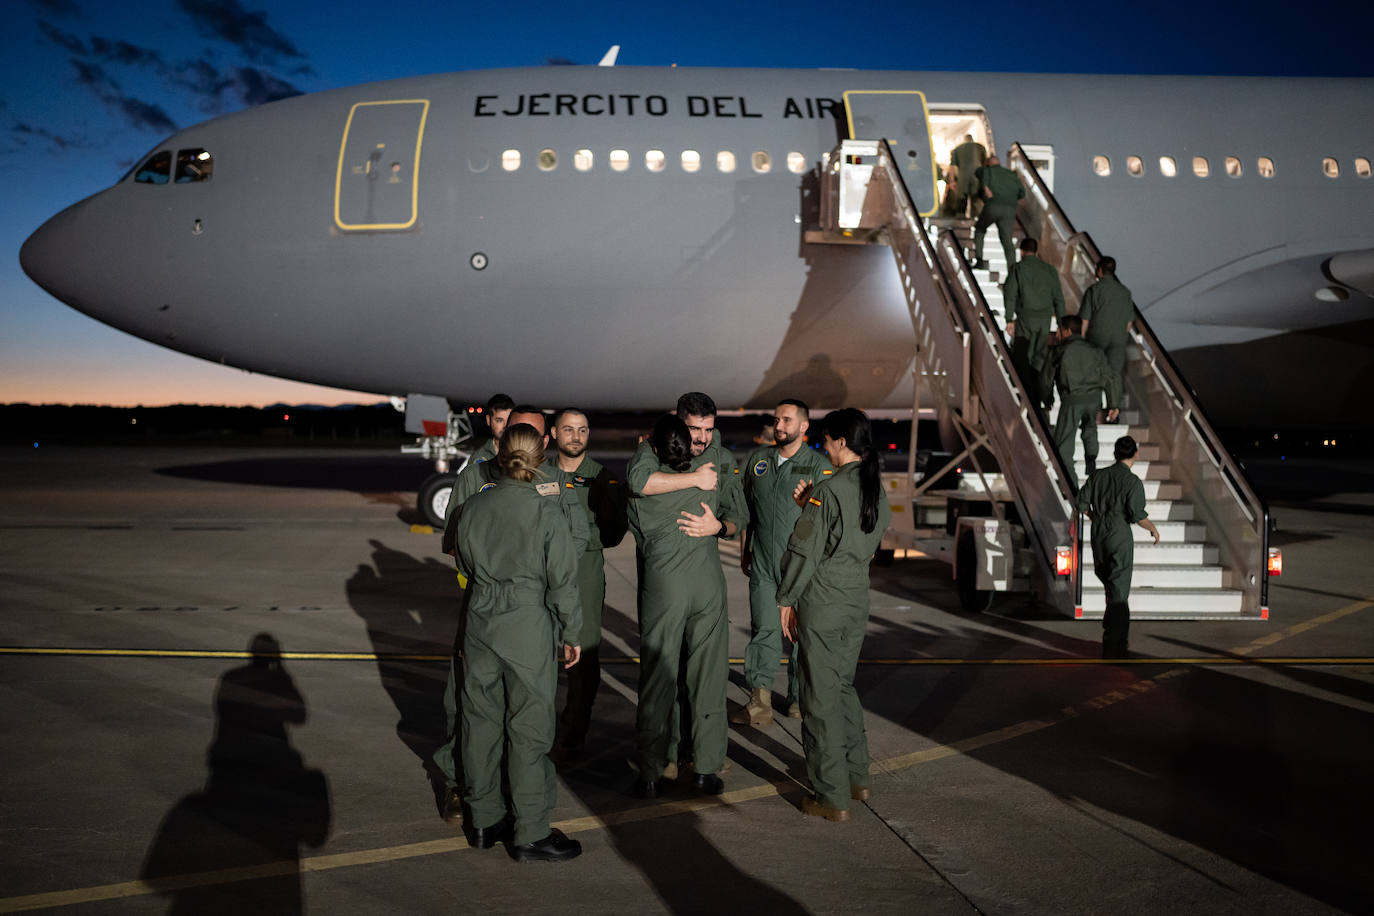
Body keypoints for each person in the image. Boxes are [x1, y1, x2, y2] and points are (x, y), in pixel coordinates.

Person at [433, 405, 588, 825]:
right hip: (526, 617)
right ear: (539, 453)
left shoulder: (473, 509)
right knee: (530, 725)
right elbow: (564, 573)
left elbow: (462, 561)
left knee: (479, 721)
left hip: (481, 615)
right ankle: (531, 829)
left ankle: (482, 821)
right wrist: (572, 630)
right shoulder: (545, 510)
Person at [777, 408, 891, 822]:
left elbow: (805, 548)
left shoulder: (832, 488)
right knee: (842, 686)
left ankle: (830, 794)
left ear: (841, 442)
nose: (824, 448)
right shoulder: (874, 487)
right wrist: (813, 504)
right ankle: (857, 776)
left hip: (823, 600)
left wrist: (786, 598)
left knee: (818, 696)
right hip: (856, 597)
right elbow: (867, 538)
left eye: (826, 441)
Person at [626, 391, 747, 778]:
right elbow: (638, 480)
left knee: (702, 679)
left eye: (709, 429)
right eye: (694, 428)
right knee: (669, 676)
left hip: (692, 578)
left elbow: (738, 515)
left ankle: (699, 762)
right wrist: (695, 479)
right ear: (678, 422)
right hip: (675, 582)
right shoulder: (653, 450)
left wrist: (719, 527)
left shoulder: (721, 459)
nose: (702, 437)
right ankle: (665, 762)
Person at [734, 399, 831, 726]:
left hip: (802, 568)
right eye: (777, 420)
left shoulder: (819, 466)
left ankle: (798, 698)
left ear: (804, 427)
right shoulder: (758, 461)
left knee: (801, 635)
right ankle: (759, 700)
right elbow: (745, 508)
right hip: (762, 562)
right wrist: (745, 549)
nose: (779, 426)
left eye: (787, 420)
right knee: (763, 630)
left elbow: (827, 519)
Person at [550, 408, 629, 758]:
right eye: (568, 429)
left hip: (584, 573)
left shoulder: (602, 478)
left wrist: (575, 539)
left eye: (582, 430)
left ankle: (573, 732)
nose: (576, 436)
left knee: (584, 655)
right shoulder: (538, 474)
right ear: (554, 434)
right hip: (542, 575)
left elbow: (614, 533)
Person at [1077, 435, 1160, 659]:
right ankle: (1115, 647)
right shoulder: (1132, 482)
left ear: (1114, 454)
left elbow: (1081, 503)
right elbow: (1136, 514)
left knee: (1109, 587)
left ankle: (1109, 637)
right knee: (1119, 593)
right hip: (1119, 534)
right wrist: (1152, 527)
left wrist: (1095, 517)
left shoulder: (1098, 476)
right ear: (1136, 454)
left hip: (1099, 534)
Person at [1040, 316, 1121, 490]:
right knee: (1090, 428)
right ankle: (1091, 460)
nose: (1057, 334)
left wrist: (1047, 400)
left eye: (1059, 330)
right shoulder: (1095, 350)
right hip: (1094, 399)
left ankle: (1071, 486)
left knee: (1063, 446)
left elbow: (1046, 380)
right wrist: (1113, 404)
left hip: (1072, 400)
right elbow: (1109, 376)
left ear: (1067, 331)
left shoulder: (1059, 350)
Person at [1003, 237, 1066, 407]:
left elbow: (1009, 295)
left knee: (1023, 356)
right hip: (1045, 319)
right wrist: (1062, 324)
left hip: (1026, 317)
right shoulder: (1050, 271)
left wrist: (1009, 319)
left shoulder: (1018, 268)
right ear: (1037, 252)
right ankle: (1041, 394)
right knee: (1039, 357)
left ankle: (1029, 396)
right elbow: (1059, 299)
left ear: (1022, 252)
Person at [1078, 256, 1134, 383]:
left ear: (1100, 270)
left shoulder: (1094, 290)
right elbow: (1129, 323)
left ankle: (1095, 400)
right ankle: (1113, 401)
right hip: (1118, 340)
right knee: (1113, 377)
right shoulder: (1125, 292)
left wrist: (1080, 341)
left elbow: (1084, 320)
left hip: (1097, 339)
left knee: (1092, 375)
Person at [971, 154, 1024, 272]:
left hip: (993, 206)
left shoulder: (986, 170)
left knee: (980, 229)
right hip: (1010, 210)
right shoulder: (1011, 174)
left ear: (988, 163)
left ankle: (979, 260)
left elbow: (977, 173)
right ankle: (1012, 269)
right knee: (1007, 241)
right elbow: (1022, 193)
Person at [950, 134, 986, 217]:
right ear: (972, 139)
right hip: (977, 178)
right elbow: (985, 163)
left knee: (962, 201)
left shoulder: (957, 149)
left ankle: (961, 222)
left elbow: (952, 166)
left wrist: (952, 181)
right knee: (976, 200)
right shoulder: (980, 147)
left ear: (964, 139)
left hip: (963, 179)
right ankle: (976, 220)